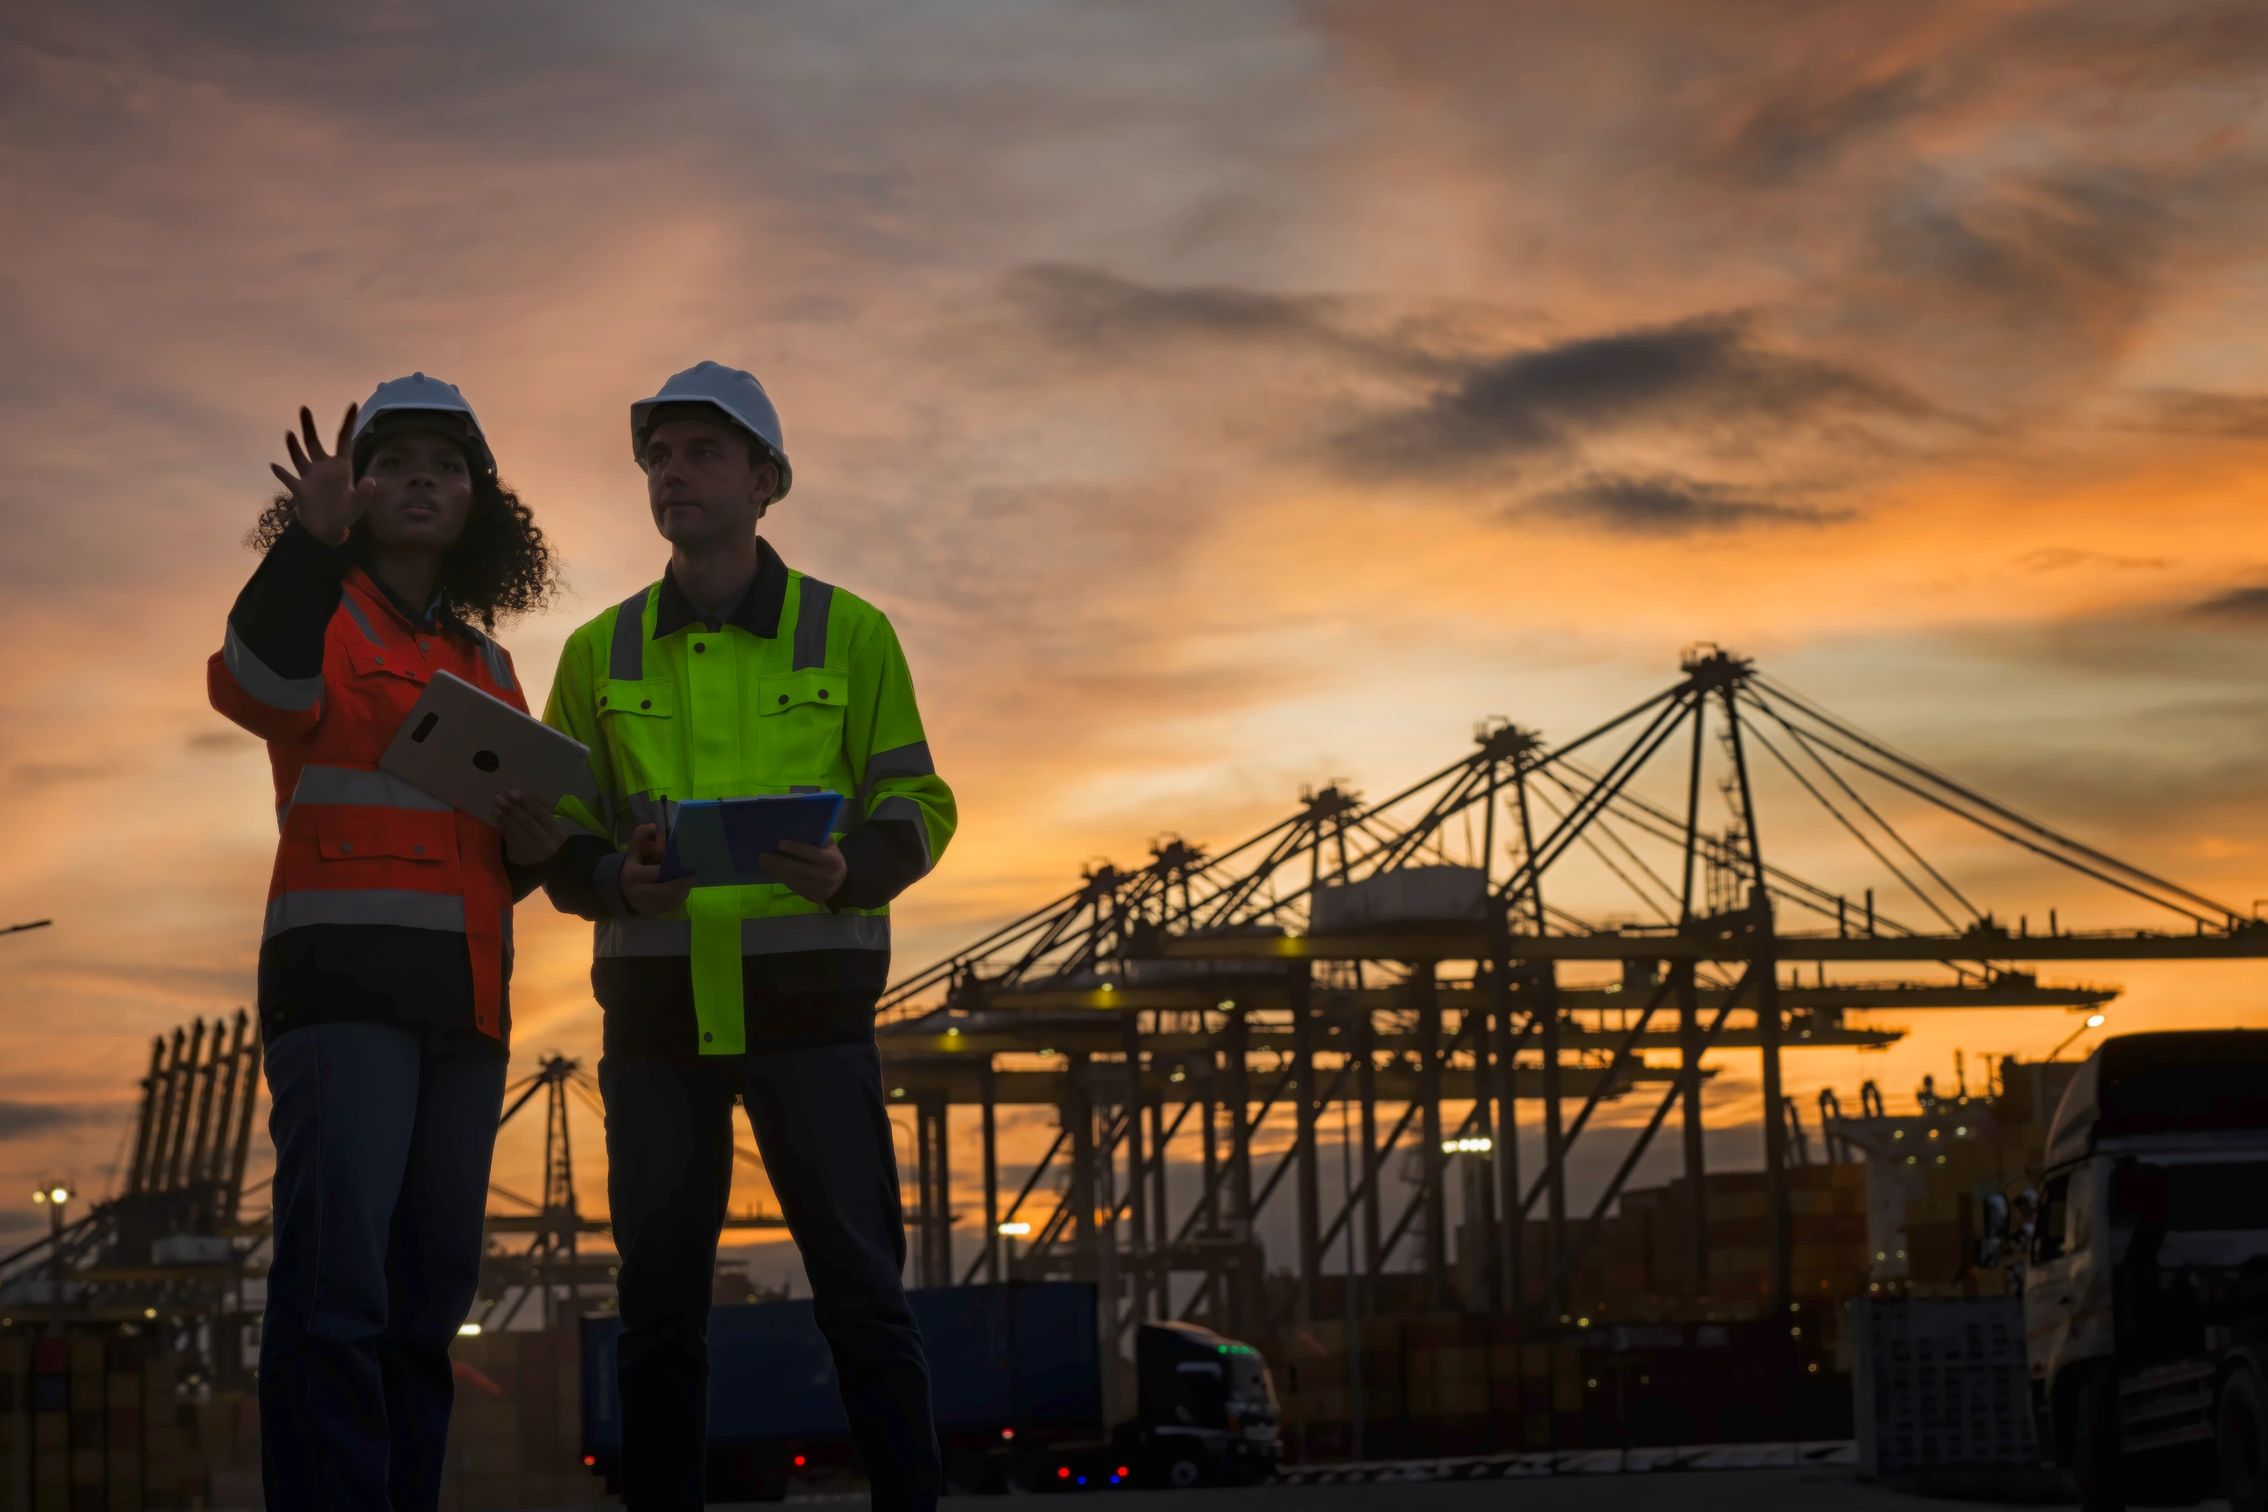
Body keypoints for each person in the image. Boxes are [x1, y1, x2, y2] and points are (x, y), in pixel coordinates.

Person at [540, 361, 957, 1510]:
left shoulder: (852, 634)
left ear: (767, 481)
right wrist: (614, 882)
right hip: (658, 1027)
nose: (673, 474)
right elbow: (551, 834)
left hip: (810, 1016)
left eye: (701, 454)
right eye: (659, 458)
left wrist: (848, 871)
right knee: (658, 1308)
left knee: (863, 1293)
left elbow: (920, 806)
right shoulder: (597, 655)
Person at [207, 376, 568, 1511]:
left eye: (447, 465)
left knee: (425, 1308)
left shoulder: (493, 670)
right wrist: (309, 548)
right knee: (336, 1297)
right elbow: (252, 686)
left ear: (480, 504)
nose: (422, 478)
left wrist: (538, 841)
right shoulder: (320, 615)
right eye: (394, 459)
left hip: (466, 1011)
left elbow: (496, 856)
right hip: (345, 995)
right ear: (353, 492)